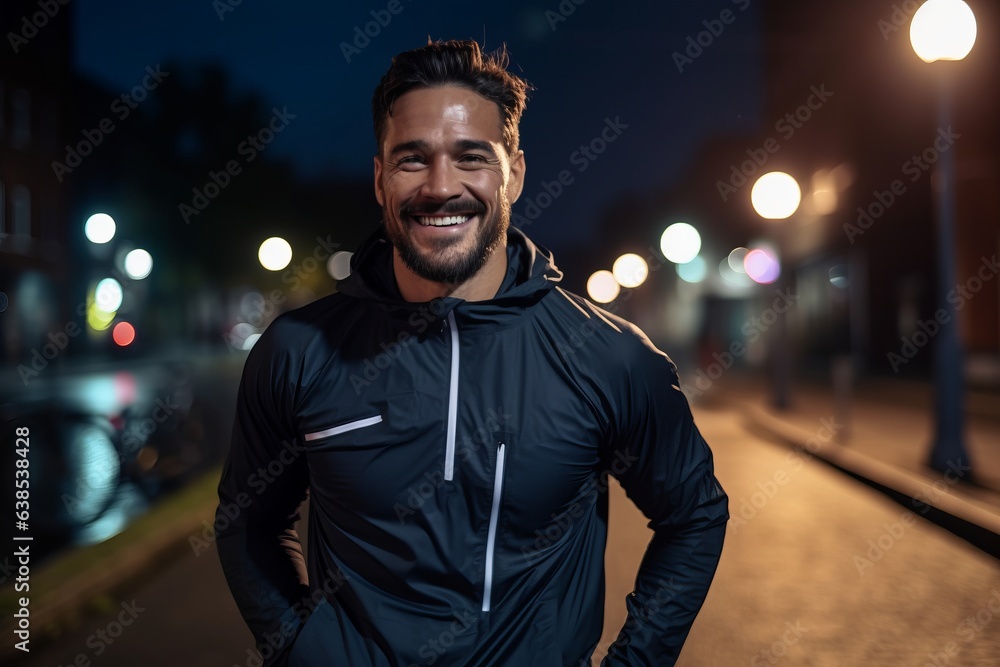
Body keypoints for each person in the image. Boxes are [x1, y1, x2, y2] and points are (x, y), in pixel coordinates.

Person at [216, 39, 728, 667]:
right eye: (412, 159)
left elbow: (694, 514)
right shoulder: (298, 352)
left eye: (470, 158)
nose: (440, 186)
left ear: (512, 172)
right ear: (380, 178)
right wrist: (297, 648)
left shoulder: (608, 358)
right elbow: (248, 520)